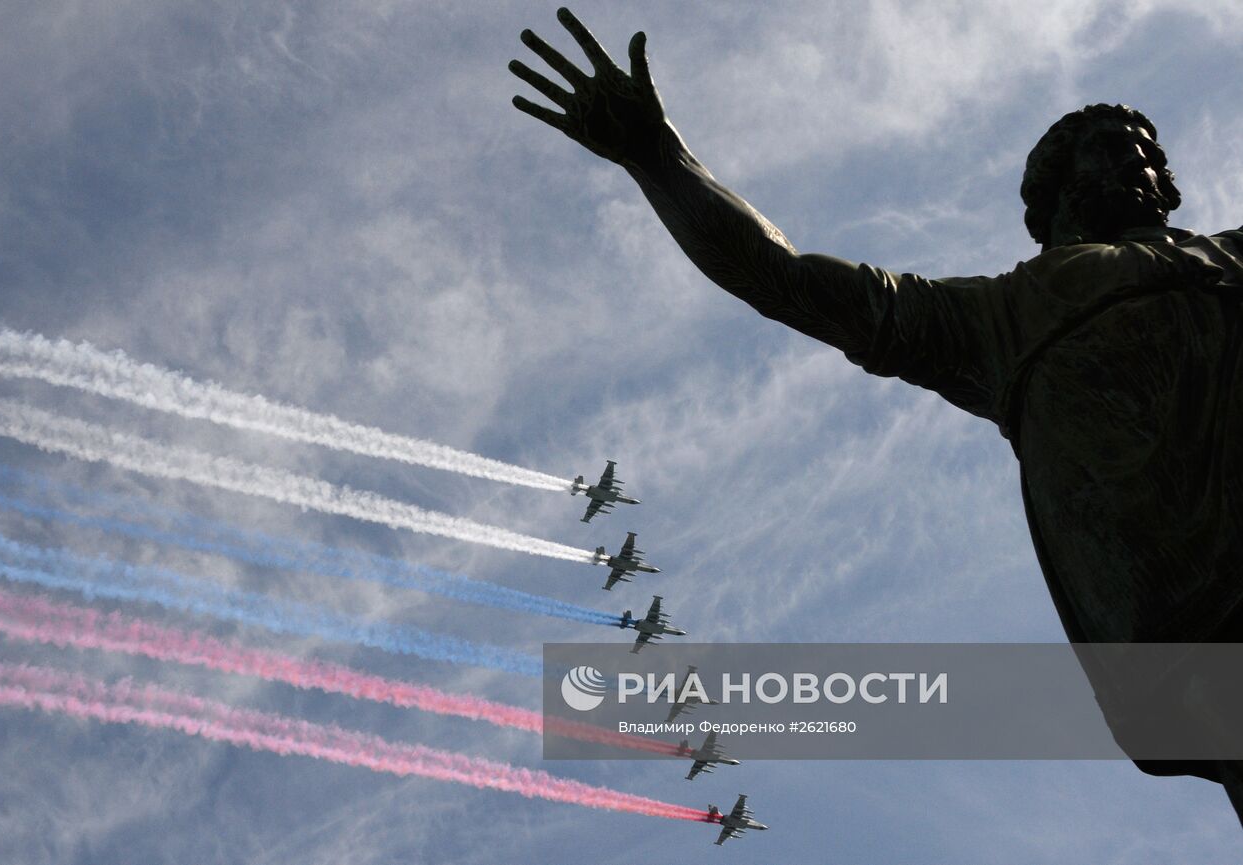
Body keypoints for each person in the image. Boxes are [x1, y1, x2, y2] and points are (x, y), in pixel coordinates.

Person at [510, 7, 1243, 824]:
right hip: (1199, 627)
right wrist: (659, 157)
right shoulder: (1002, 317)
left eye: (1151, 151)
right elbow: (783, 277)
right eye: (1118, 144)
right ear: (1059, 185)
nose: (1145, 160)